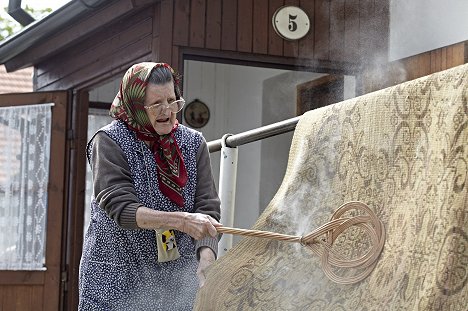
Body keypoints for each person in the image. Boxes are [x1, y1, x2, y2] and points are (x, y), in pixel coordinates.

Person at [79, 62, 222, 310]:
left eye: (172, 100)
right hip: (117, 276)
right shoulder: (109, 141)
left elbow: (207, 207)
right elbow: (122, 209)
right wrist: (184, 221)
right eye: (156, 104)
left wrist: (207, 256)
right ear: (135, 106)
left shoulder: (193, 142)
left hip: (176, 279)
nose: (167, 110)